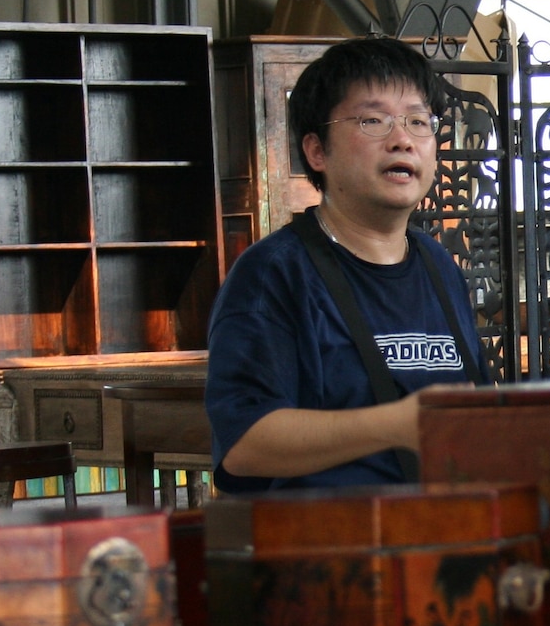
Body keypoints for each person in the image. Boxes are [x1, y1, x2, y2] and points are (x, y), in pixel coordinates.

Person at [206, 37, 485, 492]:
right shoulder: (273, 274)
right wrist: (395, 424)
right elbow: (244, 445)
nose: (402, 140)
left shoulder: (439, 265)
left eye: (418, 121)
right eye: (373, 120)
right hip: (329, 545)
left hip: (446, 533)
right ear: (317, 151)